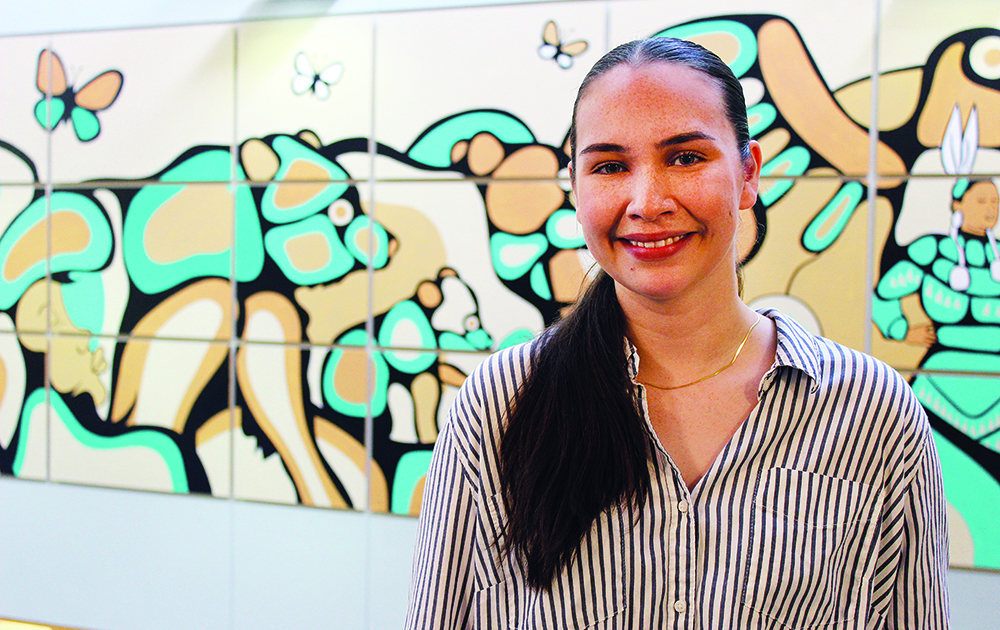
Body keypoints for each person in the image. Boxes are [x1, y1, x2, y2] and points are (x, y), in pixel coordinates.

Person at [406, 37, 949, 629]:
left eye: (685, 158)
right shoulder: (501, 405)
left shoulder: (872, 413)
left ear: (748, 174)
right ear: (576, 185)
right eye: (610, 166)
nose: (647, 201)